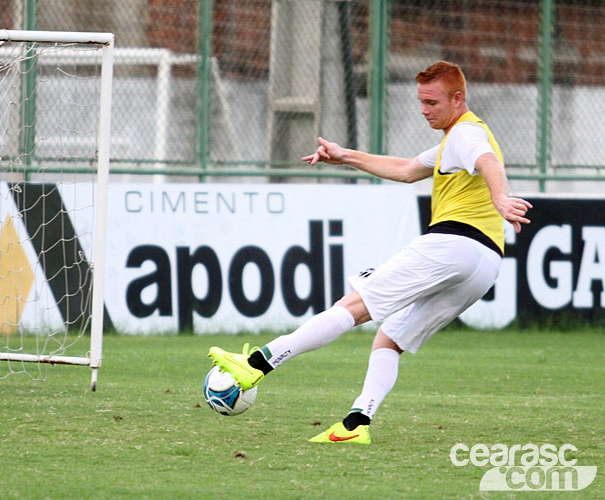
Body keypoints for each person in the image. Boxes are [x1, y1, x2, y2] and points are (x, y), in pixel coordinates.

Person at [208, 61, 532, 444]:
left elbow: (487, 161)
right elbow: (407, 169)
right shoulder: (454, 141)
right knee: (388, 339)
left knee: (353, 306)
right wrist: (344, 155)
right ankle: (356, 423)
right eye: (421, 102)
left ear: (457, 99)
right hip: (485, 264)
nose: (424, 110)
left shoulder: (465, 133)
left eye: (432, 102)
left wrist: (500, 198)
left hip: (452, 244)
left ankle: (255, 364)